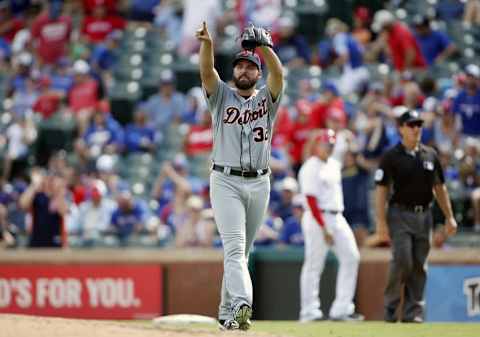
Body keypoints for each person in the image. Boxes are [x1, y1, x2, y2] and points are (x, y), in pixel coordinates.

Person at [196, 21, 283, 330]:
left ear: (258, 74)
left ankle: (226, 313)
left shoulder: (267, 100)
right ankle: (244, 303)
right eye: (240, 66)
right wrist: (207, 46)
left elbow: (280, 75)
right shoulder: (220, 97)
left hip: (260, 181)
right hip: (225, 180)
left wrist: (266, 49)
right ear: (233, 71)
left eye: (250, 67)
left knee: (242, 253)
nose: (244, 70)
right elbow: (207, 73)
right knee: (234, 248)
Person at [372, 109, 458, 323]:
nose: (416, 128)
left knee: (419, 264)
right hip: (399, 213)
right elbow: (381, 190)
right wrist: (381, 222)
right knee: (403, 260)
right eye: (411, 125)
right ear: (401, 128)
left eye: (419, 124)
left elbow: (440, 188)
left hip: (425, 214)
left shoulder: (430, 154)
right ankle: (391, 308)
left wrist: (450, 217)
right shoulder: (391, 156)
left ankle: (414, 312)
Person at [298, 129, 363, 322]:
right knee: (314, 265)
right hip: (317, 217)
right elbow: (310, 199)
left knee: (351, 257)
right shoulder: (310, 166)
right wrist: (323, 227)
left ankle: (341, 309)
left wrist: (346, 135)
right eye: (326, 144)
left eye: (331, 144)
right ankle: (309, 311)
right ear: (317, 145)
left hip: (337, 216)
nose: (329, 147)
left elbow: (345, 139)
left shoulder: (334, 163)